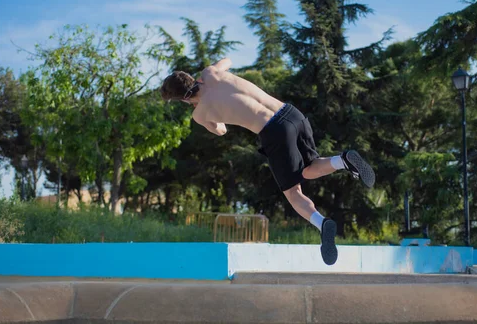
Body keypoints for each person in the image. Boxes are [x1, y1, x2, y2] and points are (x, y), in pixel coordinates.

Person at [160, 58, 375, 265]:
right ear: (190, 78)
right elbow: (228, 60)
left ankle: (322, 224)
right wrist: (211, 74)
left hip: (274, 131)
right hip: (291, 113)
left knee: (293, 192)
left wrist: (216, 113)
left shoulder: (200, 114)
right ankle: (343, 160)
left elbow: (221, 131)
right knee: (310, 168)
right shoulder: (210, 73)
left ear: (183, 99)